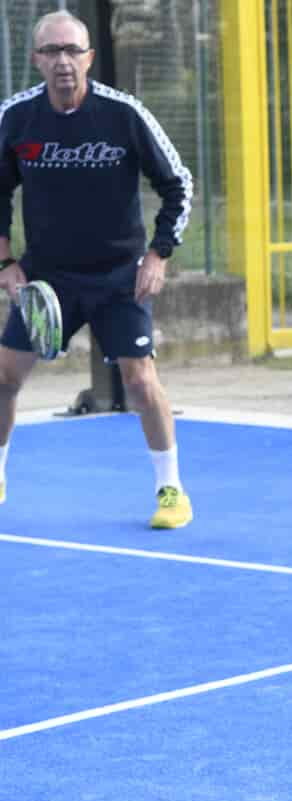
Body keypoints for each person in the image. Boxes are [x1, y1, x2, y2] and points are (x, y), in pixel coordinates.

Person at [0, 11, 194, 527]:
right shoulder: (15, 118)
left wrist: (158, 254)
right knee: (3, 378)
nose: (62, 61)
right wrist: (6, 263)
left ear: (88, 57)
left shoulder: (124, 114)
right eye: (51, 51)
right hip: (46, 280)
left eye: (71, 50)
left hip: (118, 277)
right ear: (36, 60)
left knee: (139, 380)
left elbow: (178, 183)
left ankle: (171, 490)